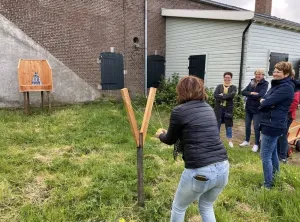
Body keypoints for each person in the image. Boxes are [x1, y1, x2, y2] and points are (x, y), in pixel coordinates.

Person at [156, 76, 229, 222]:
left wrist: (160, 135)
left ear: (181, 91)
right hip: (223, 167)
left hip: (200, 171)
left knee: (179, 207)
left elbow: (170, 140)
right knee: (207, 205)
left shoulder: (179, 110)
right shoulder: (208, 108)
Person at [259, 61, 294, 189]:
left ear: (286, 74)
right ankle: (276, 177)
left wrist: (265, 102)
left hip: (273, 124)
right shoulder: (277, 85)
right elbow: (265, 99)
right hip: (271, 121)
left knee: (265, 156)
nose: (275, 73)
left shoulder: (286, 87)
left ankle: (267, 185)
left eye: (279, 71)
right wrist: (265, 101)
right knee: (273, 153)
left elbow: (267, 101)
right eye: (274, 71)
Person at [240, 69, 269, 152]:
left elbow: (261, 94)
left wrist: (250, 93)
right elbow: (243, 92)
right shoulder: (252, 82)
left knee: (256, 127)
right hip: (248, 107)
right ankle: (247, 141)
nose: (258, 76)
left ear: (263, 75)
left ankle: (256, 144)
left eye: (260, 74)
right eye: (256, 74)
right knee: (247, 125)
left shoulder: (265, 83)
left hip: (257, 109)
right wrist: (252, 93)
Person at [277, 70, 300, 163]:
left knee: (282, 135)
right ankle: (278, 153)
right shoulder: (282, 85)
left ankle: (283, 156)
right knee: (278, 134)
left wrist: (278, 107)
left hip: (288, 115)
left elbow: (294, 104)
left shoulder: (295, 88)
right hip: (280, 114)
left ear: (290, 76)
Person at [214, 72, 237, 148]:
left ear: (231, 78)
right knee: (217, 124)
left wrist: (222, 95)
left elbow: (232, 95)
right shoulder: (219, 86)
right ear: (223, 78)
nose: (227, 79)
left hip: (228, 109)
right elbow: (215, 95)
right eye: (226, 77)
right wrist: (226, 96)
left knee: (229, 125)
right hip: (219, 109)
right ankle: (216, 140)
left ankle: (230, 141)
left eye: (229, 77)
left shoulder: (233, 87)